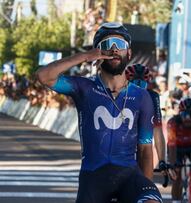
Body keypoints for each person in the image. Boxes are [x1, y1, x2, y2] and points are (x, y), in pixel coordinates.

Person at [36, 22, 162, 203]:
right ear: (98, 53)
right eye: (106, 45)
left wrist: (145, 191)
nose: (113, 50)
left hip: (129, 176)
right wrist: (85, 56)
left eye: (120, 45)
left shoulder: (142, 97)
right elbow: (44, 76)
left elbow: (145, 150)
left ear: (129, 53)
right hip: (94, 176)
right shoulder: (84, 88)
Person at [125, 63, 172, 175]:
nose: (138, 87)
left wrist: (162, 160)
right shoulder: (118, 93)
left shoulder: (153, 96)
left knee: (146, 182)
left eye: (142, 84)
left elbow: (158, 130)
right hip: (123, 140)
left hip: (143, 139)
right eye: (135, 83)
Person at [167, 97, 191, 203]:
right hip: (177, 148)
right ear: (179, 114)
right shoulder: (173, 123)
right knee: (176, 175)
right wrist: (173, 166)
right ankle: (176, 201)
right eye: (184, 115)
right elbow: (172, 147)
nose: (187, 118)